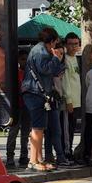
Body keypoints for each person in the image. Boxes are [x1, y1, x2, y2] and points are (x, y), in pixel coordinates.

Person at [20, 27, 65, 172]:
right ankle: (33, 161)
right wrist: (56, 58)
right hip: (34, 92)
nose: (55, 45)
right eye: (55, 42)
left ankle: (39, 159)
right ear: (51, 40)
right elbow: (46, 69)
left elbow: (55, 71)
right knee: (37, 128)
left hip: (37, 92)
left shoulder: (40, 50)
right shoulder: (40, 51)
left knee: (40, 127)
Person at [45, 39, 69, 167]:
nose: (60, 56)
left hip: (58, 100)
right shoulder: (51, 66)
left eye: (62, 54)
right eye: (58, 53)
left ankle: (51, 156)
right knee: (55, 130)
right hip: (50, 100)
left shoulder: (62, 66)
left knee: (52, 130)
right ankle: (59, 156)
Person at [5, 48, 30, 168]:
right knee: (13, 132)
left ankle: (23, 156)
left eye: (26, 59)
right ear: (18, 60)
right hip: (16, 106)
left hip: (27, 106)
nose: (25, 62)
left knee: (25, 133)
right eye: (22, 59)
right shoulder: (15, 74)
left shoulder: (30, 73)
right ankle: (10, 157)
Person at [62, 33, 82, 160]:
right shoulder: (65, 60)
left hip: (78, 101)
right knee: (66, 129)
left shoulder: (77, 59)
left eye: (76, 44)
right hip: (69, 102)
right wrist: (68, 100)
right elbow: (65, 82)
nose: (73, 47)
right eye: (71, 44)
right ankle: (66, 152)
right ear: (65, 45)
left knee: (72, 127)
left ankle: (69, 150)